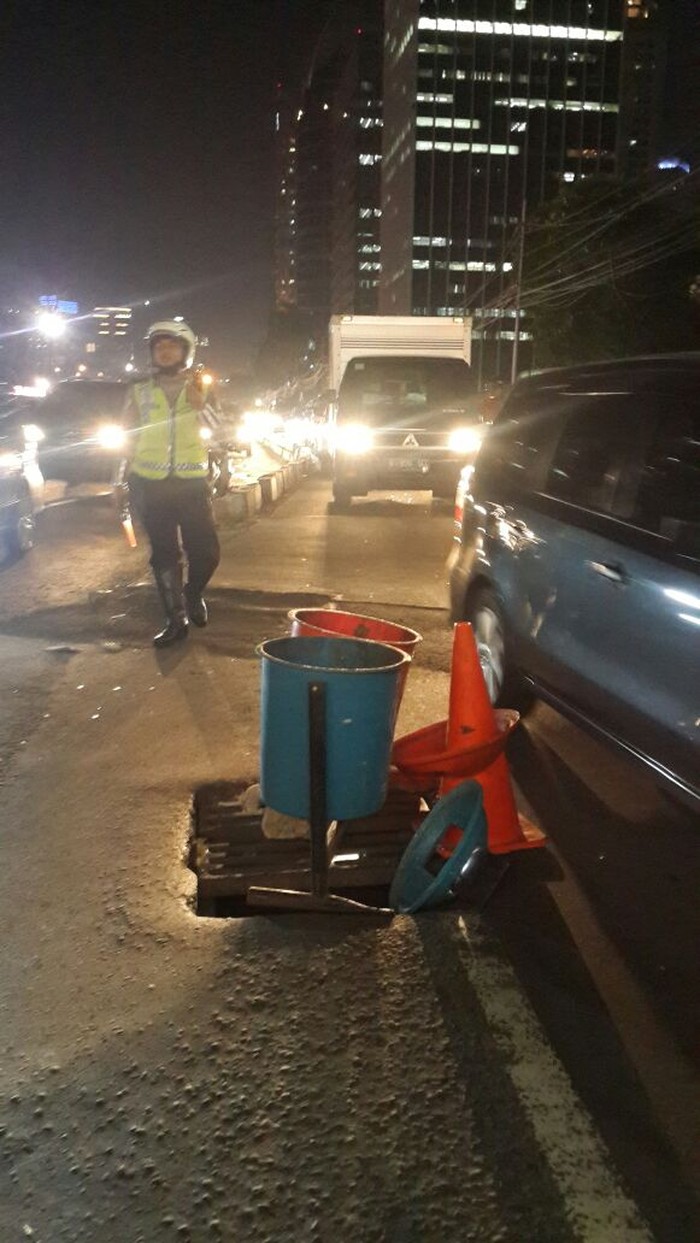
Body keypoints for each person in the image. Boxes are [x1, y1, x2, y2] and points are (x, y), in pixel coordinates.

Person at [123, 320, 222, 647]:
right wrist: (118, 480)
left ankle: (193, 595)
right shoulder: (138, 390)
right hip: (150, 484)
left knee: (206, 552)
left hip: (191, 483)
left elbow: (221, 430)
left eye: (172, 346)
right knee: (164, 554)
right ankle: (175, 619)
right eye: (159, 346)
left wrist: (200, 403)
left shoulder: (203, 388)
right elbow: (126, 437)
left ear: (185, 351)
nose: (165, 351)